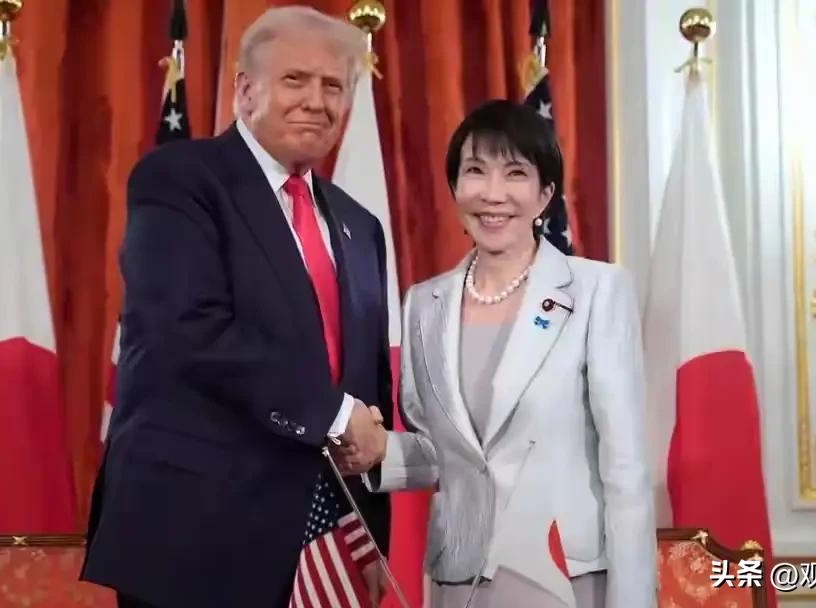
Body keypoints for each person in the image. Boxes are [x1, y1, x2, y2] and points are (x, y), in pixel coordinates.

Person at [81, 7, 394, 607]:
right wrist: (333, 415)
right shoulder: (180, 181)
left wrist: (370, 539)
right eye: (295, 80)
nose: (316, 101)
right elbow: (187, 332)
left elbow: (367, 383)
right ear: (246, 91)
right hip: (195, 538)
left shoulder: (360, 225)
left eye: (333, 86)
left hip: (327, 545)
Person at [347, 100, 657, 607]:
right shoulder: (424, 304)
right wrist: (383, 451)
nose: (493, 193)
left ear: (545, 195)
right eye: (475, 171)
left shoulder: (598, 291)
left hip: (564, 579)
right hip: (458, 581)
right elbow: (443, 454)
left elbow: (625, 471)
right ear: (454, 187)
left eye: (515, 173)